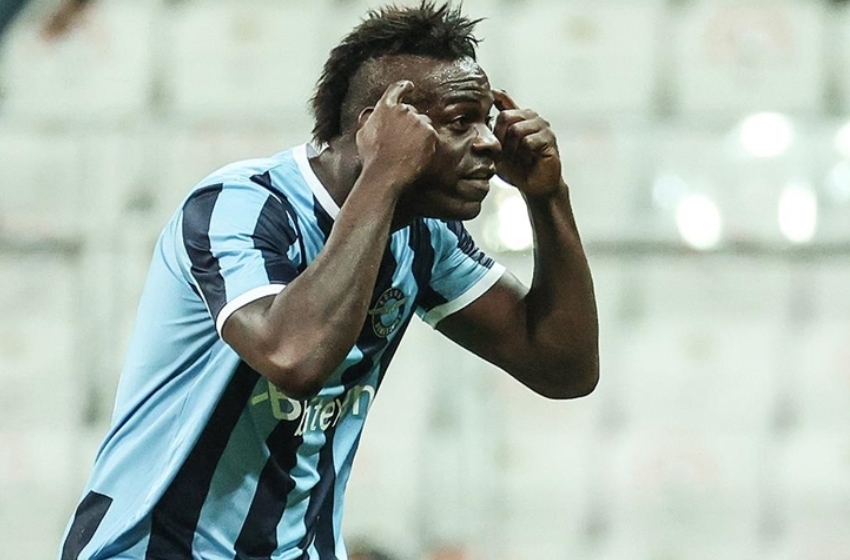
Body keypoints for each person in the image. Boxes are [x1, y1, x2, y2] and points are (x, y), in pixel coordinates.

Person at [57, 1, 599, 559]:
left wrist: (548, 197)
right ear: (378, 128)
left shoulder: (424, 235)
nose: (489, 142)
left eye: (487, 121)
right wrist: (384, 173)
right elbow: (295, 358)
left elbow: (564, 367)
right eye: (462, 122)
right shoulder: (241, 206)